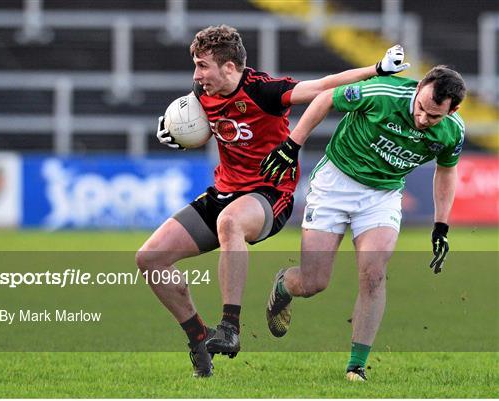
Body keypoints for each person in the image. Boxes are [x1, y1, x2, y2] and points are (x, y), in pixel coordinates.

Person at [136, 24, 409, 378]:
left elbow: (323, 86)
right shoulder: (201, 91)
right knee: (149, 259)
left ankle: (230, 327)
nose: (196, 75)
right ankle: (199, 340)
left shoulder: (263, 90)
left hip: (268, 195)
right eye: (196, 66)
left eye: (203, 66)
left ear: (230, 67)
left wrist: (377, 69)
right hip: (224, 191)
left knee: (230, 223)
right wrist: (172, 131)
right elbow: (195, 121)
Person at [261, 65, 466, 381]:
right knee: (314, 282)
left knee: (374, 274)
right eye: (421, 108)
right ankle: (284, 285)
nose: (423, 119)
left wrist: (441, 224)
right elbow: (326, 98)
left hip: (381, 196)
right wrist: (293, 144)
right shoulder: (382, 92)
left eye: (434, 116)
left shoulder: (453, 131)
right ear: (419, 87)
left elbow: (447, 170)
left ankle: (356, 365)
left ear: (452, 111)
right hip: (335, 184)